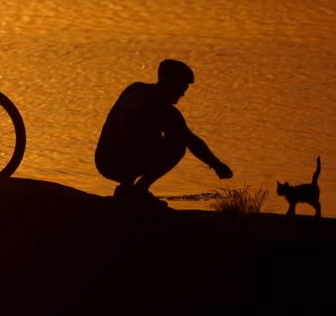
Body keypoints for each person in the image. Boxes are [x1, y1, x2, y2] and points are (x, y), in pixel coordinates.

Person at [94, 58, 233, 207]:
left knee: (147, 134)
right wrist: (216, 164)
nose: (183, 94)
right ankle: (140, 189)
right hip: (121, 162)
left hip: (103, 160)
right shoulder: (165, 110)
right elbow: (191, 141)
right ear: (169, 81)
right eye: (182, 87)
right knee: (177, 144)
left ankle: (127, 187)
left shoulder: (135, 88)